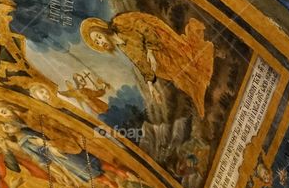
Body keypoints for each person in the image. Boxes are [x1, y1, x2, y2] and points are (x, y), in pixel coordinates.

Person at [80, 12, 214, 117]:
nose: (100, 42)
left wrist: (150, 50)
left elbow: (143, 27)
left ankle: (199, 81)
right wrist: (151, 87)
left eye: (98, 37)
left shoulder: (119, 22)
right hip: (156, 55)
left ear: (102, 29)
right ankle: (198, 94)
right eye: (97, 43)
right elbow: (140, 62)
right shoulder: (122, 47)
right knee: (172, 73)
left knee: (178, 63)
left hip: (159, 37)